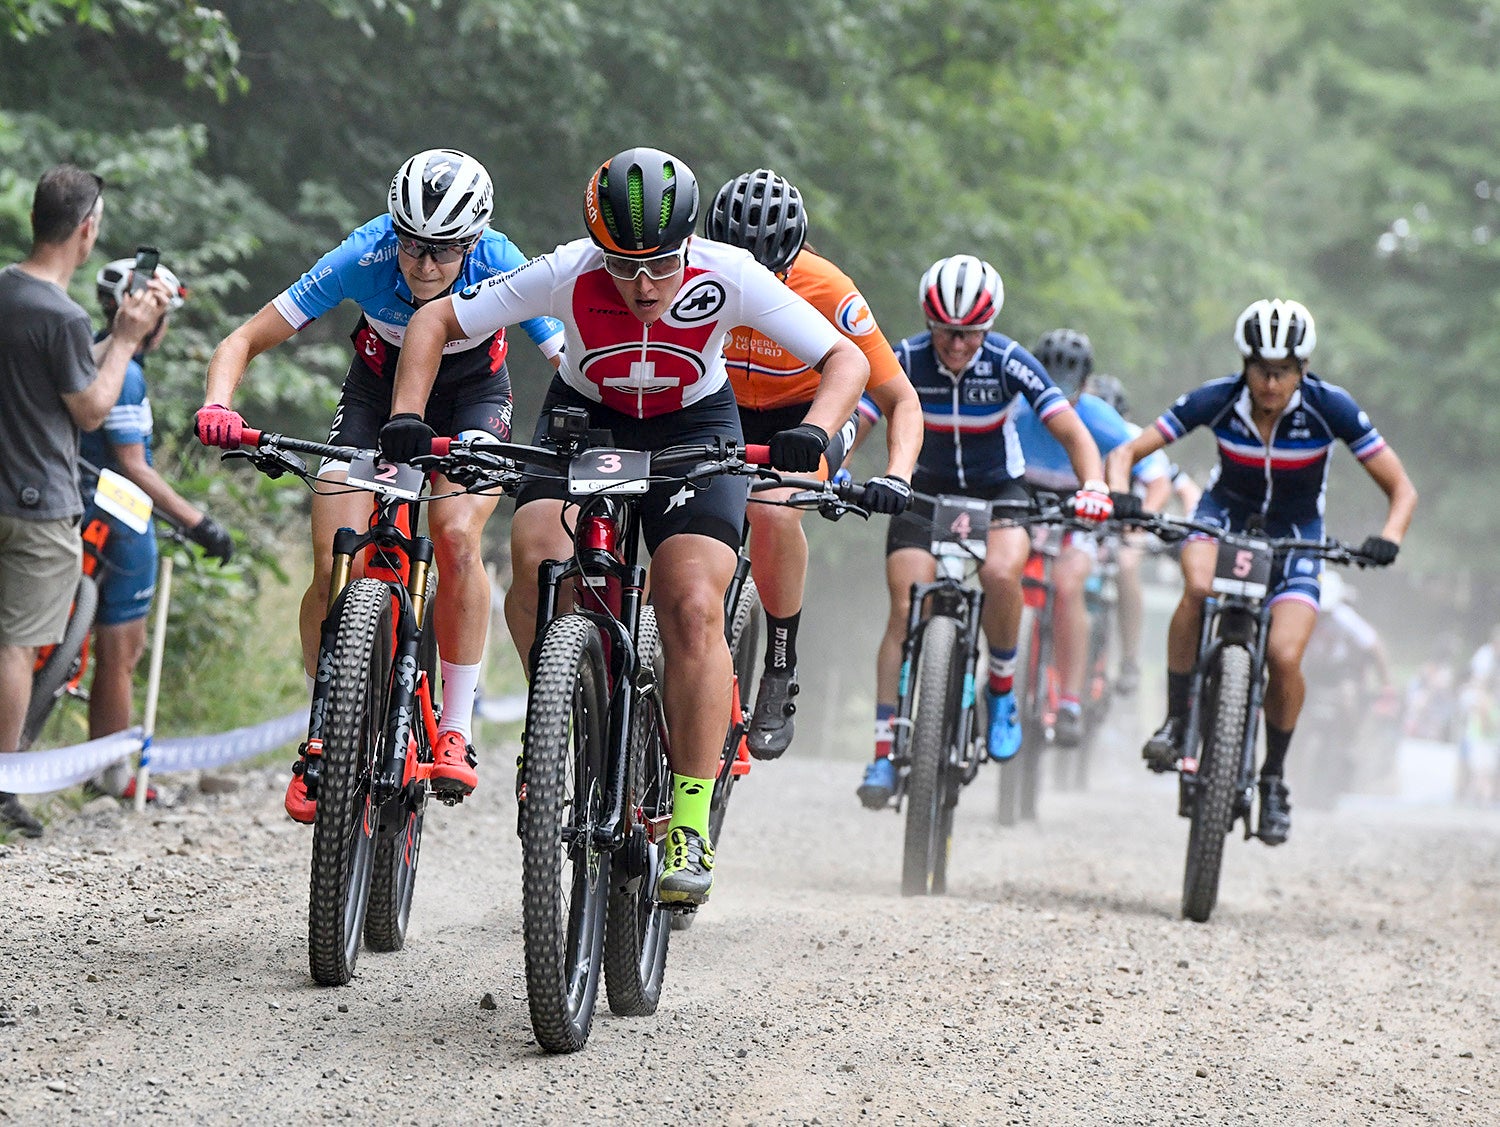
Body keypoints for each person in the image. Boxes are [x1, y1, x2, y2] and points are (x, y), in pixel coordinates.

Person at [382, 146, 870, 907]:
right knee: (537, 555)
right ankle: (565, 713)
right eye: (622, 265)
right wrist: (408, 414)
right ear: (596, 247)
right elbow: (436, 319)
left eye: (661, 265)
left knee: (691, 603)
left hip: (697, 429)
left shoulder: (727, 272)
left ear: (689, 244)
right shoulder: (569, 269)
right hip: (588, 422)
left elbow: (846, 359)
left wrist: (817, 428)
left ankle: (690, 821)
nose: (643, 286)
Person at [196, 149, 564, 822]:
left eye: (444, 251)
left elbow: (566, 357)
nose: (424, 265)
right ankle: (328, 723)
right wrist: (220, 405)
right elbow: (243, 338)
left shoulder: (505, 260)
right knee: (337, 548)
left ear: (474, 241)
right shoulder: (362, 255)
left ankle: (456, 724)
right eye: (413, 246)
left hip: (472, 401)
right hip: (376, 397)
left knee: (454, 536)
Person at [1106, 298, 1417, 844]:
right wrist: (1120, 496)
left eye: (1283, 373)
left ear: (1303, 369)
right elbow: (1128, 452)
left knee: (1282, 656)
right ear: (1244, 364)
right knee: (1197, 586)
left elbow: (1402, 489)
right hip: (1223, 516)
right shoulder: (1219, 398)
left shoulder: (1331, 408)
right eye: (1260, 370)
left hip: (1297, 535)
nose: (1270, 384)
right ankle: (1177, 721)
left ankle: (1273, 779)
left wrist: (1388, 538)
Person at [854, 257, 1115, 809]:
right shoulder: (903, 358)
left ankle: (1001, 690)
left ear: (988, 326)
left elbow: (1072, 429)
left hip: (998, 494)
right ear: (930, 322)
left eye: (970, 333)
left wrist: (1093, 484)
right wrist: (834, 468)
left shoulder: (1008, 361)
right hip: (921, 495)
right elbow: (859, 418)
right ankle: (882, 750)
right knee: (904, 607)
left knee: (1002, 573)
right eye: (947, 332)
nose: (956, 345)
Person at [705, 168, 922, 758]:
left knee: (775, 511)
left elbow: (900, 398)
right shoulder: (683, 273)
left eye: (768, 275)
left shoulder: (829, 290)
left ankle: (778, 664)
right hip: (715, 406)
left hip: (806, 417)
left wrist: (898, 474)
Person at [0, 163, 171, 837]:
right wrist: (127, 339)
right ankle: (6, 782)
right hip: (39, 506)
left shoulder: (6, 292)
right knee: (15, 648)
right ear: (87, 229)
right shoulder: (66, 316)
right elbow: (93, 408)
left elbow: (48, 376)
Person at [80, 258, 235, 800]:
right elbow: (133, 465)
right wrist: (199, 523)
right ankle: (116, 777)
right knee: (121, 654)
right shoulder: (127, 373)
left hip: (79, 507)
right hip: (118, 521)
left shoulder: (91, 355)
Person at [1010, 330, 1170, 744]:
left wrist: (1135, 515)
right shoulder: (1013, 408)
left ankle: (1069, 700)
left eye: (1070, 390)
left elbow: (1149, 471)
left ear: (1085, 385)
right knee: (1001, 571)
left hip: (1080, 511)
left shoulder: (1102, 419)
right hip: (1023, 503)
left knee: (1068, 585)